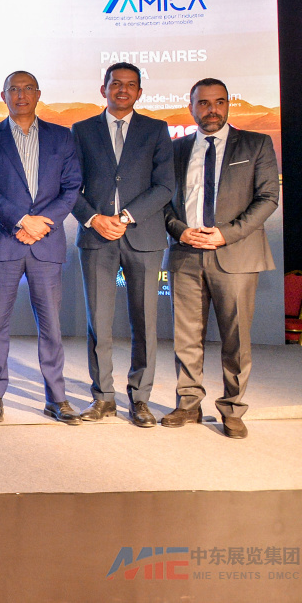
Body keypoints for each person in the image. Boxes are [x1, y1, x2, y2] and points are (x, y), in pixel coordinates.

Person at [161, 78, 278, 440]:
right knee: (185, 336)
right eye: (203, 103)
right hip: (186, 254)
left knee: (236, 339)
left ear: (228, 104)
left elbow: (268, 197)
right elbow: (162, 199)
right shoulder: (175, 149)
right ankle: (188, 403)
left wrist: (227, 233)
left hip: (236, 254)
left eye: (219, 102)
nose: (212, 110)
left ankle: (232, 408)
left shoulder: (256, 143)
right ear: (191, 107)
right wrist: (179, 230)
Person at [71, 62, 175, 427]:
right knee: (99, 322)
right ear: (104, 89)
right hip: (97, 236)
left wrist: (127, 216)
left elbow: (165, 186)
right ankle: (103, 398)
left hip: (143, 236)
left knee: (144, 322)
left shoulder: (156, 129)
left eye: (131, 85)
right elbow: (70, 186)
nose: (123, 90)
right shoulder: (82, 130)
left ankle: (140, 399)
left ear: (139, 92)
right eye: (116, 84)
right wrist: (93, 218)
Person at [0, 70, 82, 425]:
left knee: (51, 326)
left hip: (46, 243)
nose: (20, 95)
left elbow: (72, 187)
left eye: (27, 89)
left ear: (38, 94)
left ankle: (57, 398)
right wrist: (21, 221)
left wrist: (41, 224)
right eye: (13, 89)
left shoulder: (61, 137)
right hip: (6, 241)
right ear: (3, 95)